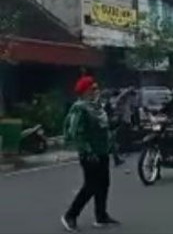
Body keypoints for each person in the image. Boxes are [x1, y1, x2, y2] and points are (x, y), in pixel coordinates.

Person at [61, 76, 119, 232]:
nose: (96, 91)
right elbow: (74, 132)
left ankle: (101, 216)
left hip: (102, 151)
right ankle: (70, 215)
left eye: (96, 88)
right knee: (91, 186)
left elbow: (105, 128)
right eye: (92, 89)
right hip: (89, 153)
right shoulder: (80, 108)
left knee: (104, 184)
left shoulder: (97, 107)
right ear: (84, 91)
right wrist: (86, 150)